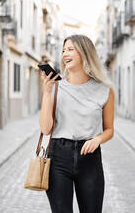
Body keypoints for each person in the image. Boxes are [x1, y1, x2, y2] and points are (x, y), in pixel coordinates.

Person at [39, 34, 115, 213]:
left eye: (71, 49)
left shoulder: (105, 90)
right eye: (64, 50)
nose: (65, 53)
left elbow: (109, 129)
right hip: (58, 157)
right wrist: (47, 93)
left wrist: (97, 140)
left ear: (85, 53)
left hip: (90, 159)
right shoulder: (56, 87)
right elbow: (45, 128)